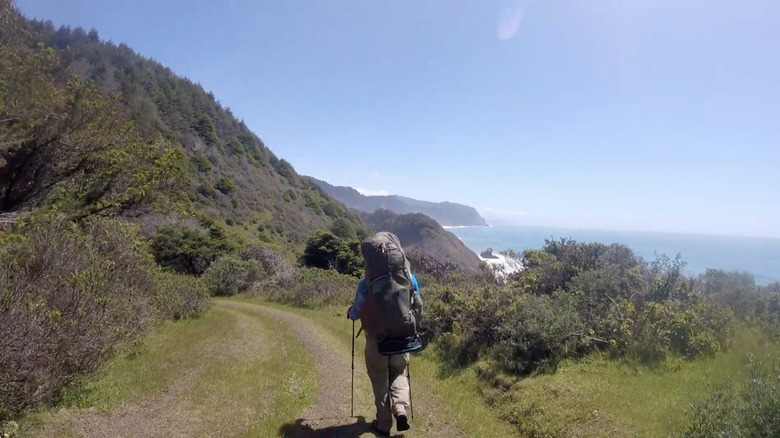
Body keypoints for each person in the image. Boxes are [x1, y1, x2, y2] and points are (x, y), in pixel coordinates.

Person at [347, 241, 422, 436]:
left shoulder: (367, 282)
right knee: (398, 374)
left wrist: (351, 314)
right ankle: (401, 410)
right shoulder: (409, 278)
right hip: (402, 338)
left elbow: (356, 312)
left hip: (377, 339)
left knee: (380, 378)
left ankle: (383, 423)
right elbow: (417, 304)